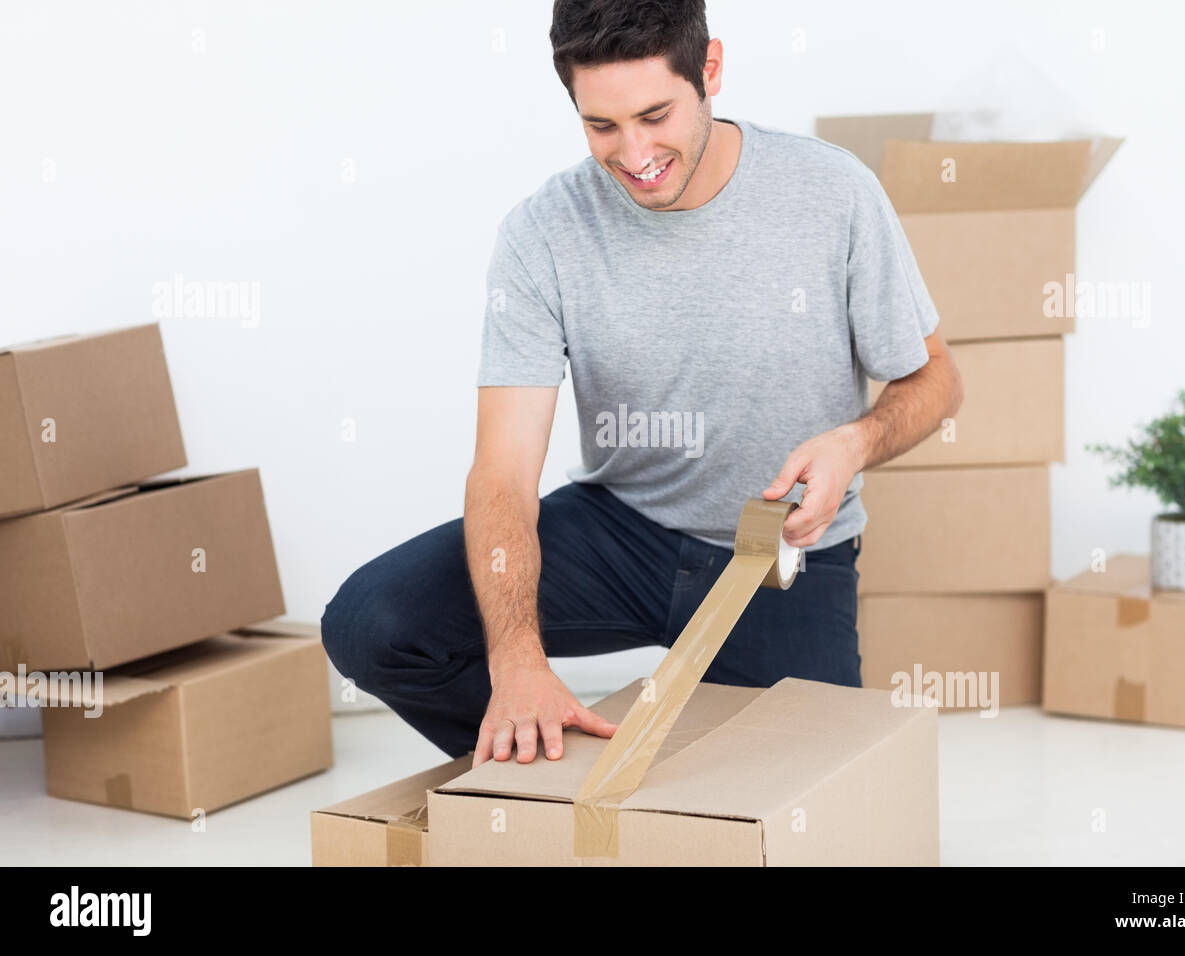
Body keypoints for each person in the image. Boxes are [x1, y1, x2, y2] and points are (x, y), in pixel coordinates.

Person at [321, 0, 963, 768]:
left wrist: (854, 443)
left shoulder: (833, 192)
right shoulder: (543, 233)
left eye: (656, 114)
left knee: (811, 792)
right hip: (619, 531)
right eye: (603, 127)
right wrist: (517, 659)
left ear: (711, 70)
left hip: (779, 556)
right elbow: (502, 471)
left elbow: (936, 377)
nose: (635, 152)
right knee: (371, 622)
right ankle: (565, 786)